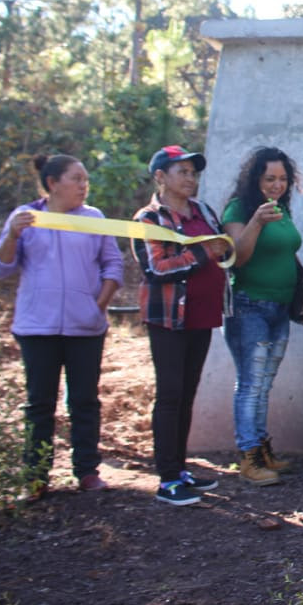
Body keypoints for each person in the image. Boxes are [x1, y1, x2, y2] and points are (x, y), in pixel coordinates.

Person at [0, 154, 123, 499]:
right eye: (76, 179)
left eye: (85, 179)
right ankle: (35, 477)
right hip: (37, 328)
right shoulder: (26, 217)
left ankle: (88, 472)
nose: (83, 185)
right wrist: (12, 237)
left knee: (84, 401)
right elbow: (0, 268)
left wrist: (98, 306)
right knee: (39, 403)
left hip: (85, 328)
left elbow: (113, 264)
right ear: (52, 183)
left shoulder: (94, 218)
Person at [133, 145, 232, 506]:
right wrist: (205, 252)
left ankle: (180, 468)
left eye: (194, 173)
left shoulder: (203, 211)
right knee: (170, 394)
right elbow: (157, 268)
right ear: (161, 177)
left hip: (201, 316)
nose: (191, 179)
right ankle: (167, 479)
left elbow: (223, 245)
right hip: (168, 319)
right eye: (182, 172)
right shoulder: (149, 218)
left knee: (188, 393)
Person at [220, 146, 303, 486]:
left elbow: (288, 252)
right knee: (250, 384)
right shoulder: (240, 209)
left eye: (282, 179)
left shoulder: (282, 209)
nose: (276, 185)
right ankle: (248, 456)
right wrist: (256, 221)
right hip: (249, 307)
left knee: (264, 384)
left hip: (278, 309)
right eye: (269, 178)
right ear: (255, 179)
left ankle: (261, 448)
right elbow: (237, 257)